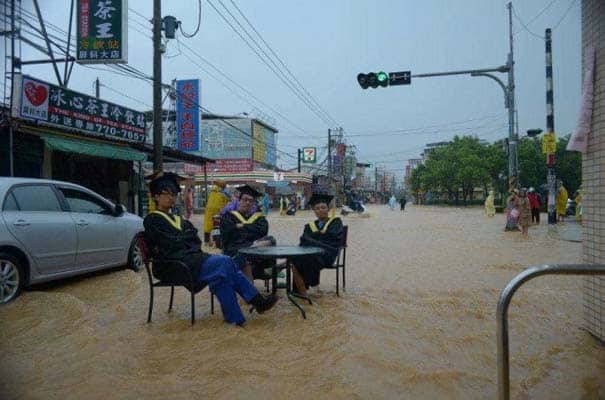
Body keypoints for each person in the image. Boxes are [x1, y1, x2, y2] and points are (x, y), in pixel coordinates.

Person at [143, 172, 278, 327]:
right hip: (172, 265)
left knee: (221, 276)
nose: (171, 197)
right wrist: (184, 239)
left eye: (173, 194)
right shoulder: (152, 220)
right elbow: (170, 245)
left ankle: (235, 321)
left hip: (191, 259)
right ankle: (257, 301)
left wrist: (183, 239)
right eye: (166, 194)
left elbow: (194, 239)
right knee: (225, 262)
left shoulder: (179, 220)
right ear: (156, 197)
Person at [291, 193, 345, 298]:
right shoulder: (309, 226)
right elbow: (303, 242)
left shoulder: (336, 222)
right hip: (311, 255)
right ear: (314, 211)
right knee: (296, 260)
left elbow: (333, 240)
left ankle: (306, 289)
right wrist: (318, 238)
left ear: (328, 209)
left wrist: (312, 239)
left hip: (328, 255)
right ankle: (302, 292)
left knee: (301, 259)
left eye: (323, 207)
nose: (320, 210)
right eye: (317, 208)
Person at [220, 185, 274, 280]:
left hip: (254, 248)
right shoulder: (229, 216)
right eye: (245, 200)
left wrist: (241, 226)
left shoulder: (258, 217)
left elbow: (263, 231)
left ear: (253, 203)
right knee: (257, 249)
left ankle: (262, 266)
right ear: (239, 201)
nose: (248, 202)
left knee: (272, 240)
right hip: (235, 248)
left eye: (251, 201)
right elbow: (227, 231)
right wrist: (250, 229)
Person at [203, 180, 230, 245]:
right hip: (217, 211)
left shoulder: (212, 192)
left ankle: (206, 242)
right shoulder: (224, 193)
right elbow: (227, 202)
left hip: (209, 211)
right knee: (216, 226)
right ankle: (215, 241)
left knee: (207, 226)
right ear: (223, 186)